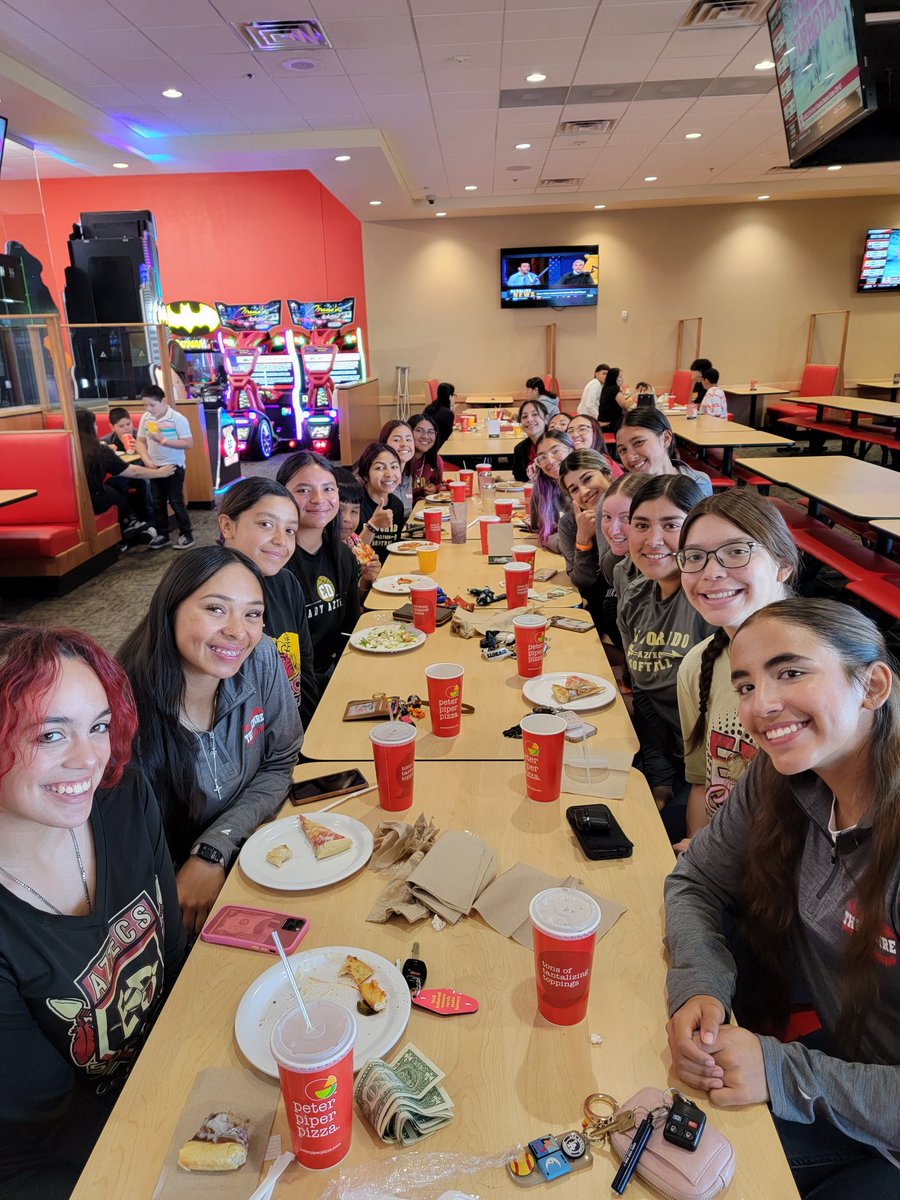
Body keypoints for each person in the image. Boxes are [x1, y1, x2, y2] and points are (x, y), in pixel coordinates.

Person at [665, 599, 900, 1199]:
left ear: (872, 685)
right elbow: (695, 881)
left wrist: (782, 1070)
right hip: (839, 1056)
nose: (761, 706)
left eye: (790, 672)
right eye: (745, 684)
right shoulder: (781, 776)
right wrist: (699, 984)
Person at [0, 624, 186, 1200]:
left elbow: (173, 959)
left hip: (176, 1080)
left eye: (98, 726)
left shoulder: (123, 796)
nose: (89, 759)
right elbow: (40, 1130)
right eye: (51, 734)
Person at [120, 547, 303, 934]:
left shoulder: (261, 660)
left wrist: (213, 848)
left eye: (253, 613)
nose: (239, 631)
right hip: (162, 909)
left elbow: (281, 759)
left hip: (248, 857)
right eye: (216, 609)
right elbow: (121, 855)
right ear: (171, 608)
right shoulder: (120, 712)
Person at [675, 491, 798, 839]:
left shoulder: (826, 670)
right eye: (695, 556)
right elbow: (702, 783)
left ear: (783, 565)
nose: (712, 573)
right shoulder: (698, 664)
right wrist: (699, 859)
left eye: (737, 552)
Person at [617, 475, 712, 826]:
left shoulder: (712, 604)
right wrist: (658, 780)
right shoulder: (635, 595)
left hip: (718, 769)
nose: (652, 539)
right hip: (666, 755)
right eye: (641, 524)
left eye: (671, 524)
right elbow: (644, 695)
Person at [217, 478, 322, 732]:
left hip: (291, 739)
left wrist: (312, 737)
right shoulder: (208, 596)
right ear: (227, 526)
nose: (281, 540)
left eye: (289, 531)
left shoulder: (286, 583)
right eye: (266, 524)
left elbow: (303, 668)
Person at [277, 451, 361, 678]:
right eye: (303, 490)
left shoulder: (343, 555)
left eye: (328, 488)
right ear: (281, 496)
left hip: (335, 673)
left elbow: (349, 630)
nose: (318, 499)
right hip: (294, 686)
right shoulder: (275, 564)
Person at [75, 408, 172, 547]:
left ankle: (136, 524)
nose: (97, 427)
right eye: (94, 424)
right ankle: (131, 525)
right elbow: (133, 472)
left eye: (128, 424)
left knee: (121, 482)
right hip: (94, 499)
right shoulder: (99, 450)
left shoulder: (67, 447)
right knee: (121, 489)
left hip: (71, 500)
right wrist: (161, 472)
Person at [557, 449, 614, 628]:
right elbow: (582, 583)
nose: (584, 491)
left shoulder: (632, 509)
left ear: (608, 475)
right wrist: (583, 541)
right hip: (599, 608)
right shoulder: (569, 524)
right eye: (574, 489)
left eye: (588, 478)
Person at [136, 384, 195, 550]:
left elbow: (188, 443)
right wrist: (147, 461)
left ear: (163, 401)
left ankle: (186, 534)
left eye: (152, 405)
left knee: (175, 500)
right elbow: (140, 441)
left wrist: (162, 440)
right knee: (157, 501)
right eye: (145, 405)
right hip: (155, 467)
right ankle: (163, 533)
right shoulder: (146, 418)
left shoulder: (177, 418)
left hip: (174, 466)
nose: (148, 409)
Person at [615, 408, 713, 497]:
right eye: (622, 450)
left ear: (665, 439)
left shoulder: (699, 484)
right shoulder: (623, 494)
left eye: (638, 442)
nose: (631, 457)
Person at [334, 468, 381, 598]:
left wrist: (366, 579)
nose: (347, 518)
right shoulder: (324, 551)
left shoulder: (355, 540)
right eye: (339, 510)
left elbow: (356, 596)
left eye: (354, 511)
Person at [357, 442, 406, 563]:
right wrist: (372, 526)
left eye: (394, 467)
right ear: (365, 475)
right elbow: (351, 555)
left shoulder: (397, 505)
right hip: (361, 575)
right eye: (379, 468)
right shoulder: (355, 505)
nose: (389, 474)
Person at [529, 430, 574, 552]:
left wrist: (552, 541)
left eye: (555, 451)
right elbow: (538, 529)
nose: (550, 460)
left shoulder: (586, 486)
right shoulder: (542, 489)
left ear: (571, 449)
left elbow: (581, 541)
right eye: (542, 457)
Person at [378, 420, 416, 517]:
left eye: (408, 439)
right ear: (384, 443)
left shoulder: (407, 477)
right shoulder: (382, 478)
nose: (404, 444)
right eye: (396, 440)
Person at [408, 413, 445, 499]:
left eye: (430, 432)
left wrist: (434, 489)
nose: (425, 436)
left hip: (423, 508)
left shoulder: (435, 460)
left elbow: (437, 484)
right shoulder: (400, 461)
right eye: (419, 430)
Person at [512, 398, 549, 481]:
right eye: (524, 416)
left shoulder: (557, 445)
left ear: (546, 419)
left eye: (535, 414)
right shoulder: (519, 449)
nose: (529, 420)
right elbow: (519, 479)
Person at [597, 367, 634, 432]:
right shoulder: (614, 388)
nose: (623, 379)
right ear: (614, 378)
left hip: (602, 424)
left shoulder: (606, 388)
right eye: (620, 377)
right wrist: (633, 397)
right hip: (610, 425)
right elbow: (625, 405)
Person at [423, 382, 456, 449]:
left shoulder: (429, 407)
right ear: (450, 397)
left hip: (426, 444)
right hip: (440, 448)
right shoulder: (447, 413)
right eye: (454, 395)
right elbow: (449, 437)